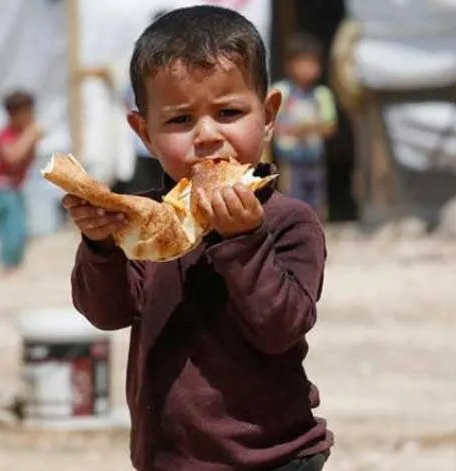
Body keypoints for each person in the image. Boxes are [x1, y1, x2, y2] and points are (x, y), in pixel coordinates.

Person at [64, 6, 332, 471]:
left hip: (273, 458)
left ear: (268, 115)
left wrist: (244, 240)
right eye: (180, 120)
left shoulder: (288, 221)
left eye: (229, 112)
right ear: (144, 132)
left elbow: (281, 327)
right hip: (170, 459)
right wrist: (101, 245)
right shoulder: (149, 223)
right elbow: (107, 313)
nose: (207, 136)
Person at [272, 33, 337, 220]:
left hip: (315, 159)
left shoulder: (321, 94)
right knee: (292, 201)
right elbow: (268, 125)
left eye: (314, 63)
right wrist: (291, 129)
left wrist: (311, 128)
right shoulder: (281, 92)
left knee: (317, 203)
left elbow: (330, 127)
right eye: (304, 62)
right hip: (290, 160)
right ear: (290, 64)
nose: (309, 68)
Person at [0, 90, 43, 274]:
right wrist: (30, 135)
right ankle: (7, 264)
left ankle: (15, 263)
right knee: (11, 229)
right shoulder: (4, 135)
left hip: (19, 188)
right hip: (5, 189)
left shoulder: (21, 134)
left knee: (20, 229)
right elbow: (12, 157)